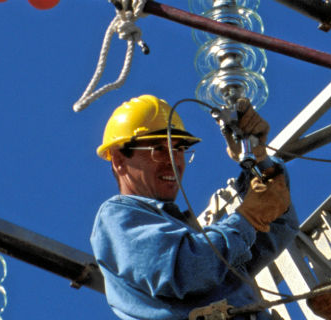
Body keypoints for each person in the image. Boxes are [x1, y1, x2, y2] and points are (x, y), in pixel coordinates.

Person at [90, 94, 297, 320]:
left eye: (179, 149)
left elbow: (276, 229)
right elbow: (188, 270)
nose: (174, 160)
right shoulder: (118, 215)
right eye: (158, 149)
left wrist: (260, 160)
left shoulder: (197, 239)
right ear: (119, 161)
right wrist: (247, 218)